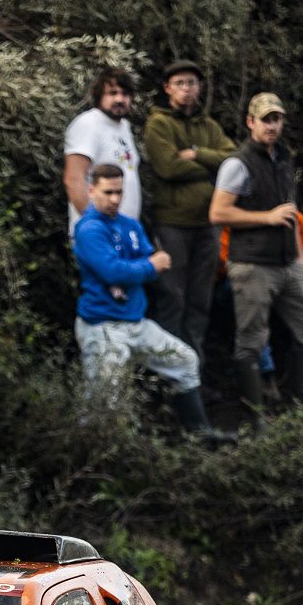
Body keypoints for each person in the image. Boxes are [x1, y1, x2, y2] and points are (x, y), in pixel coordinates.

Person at [72, 164, 233, 444]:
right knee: (104, 402)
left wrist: (140, 267)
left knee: (185, 361)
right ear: (91, 190)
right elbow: (115, 270)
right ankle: (94, 462)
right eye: (108, 192)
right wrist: (144, 267)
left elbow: (154, 260)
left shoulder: (129, 225)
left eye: (119, 192)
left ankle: (200, 435)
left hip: (135, 322)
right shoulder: (88, 229)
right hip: (103, 326)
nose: (114, 199)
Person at [209, 92, 303, 419]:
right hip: (251, 264)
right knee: (250, 342)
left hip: (287, 263)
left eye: (277, 119)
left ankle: (298, 408)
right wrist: (267, 217)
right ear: (251, 123)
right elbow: (218, 213)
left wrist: (298, 256)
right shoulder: (238, 164)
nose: (272, 125)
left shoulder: (283, 159)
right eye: (265, 119)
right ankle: (255, 417)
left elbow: (289, 211)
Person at [143, 59, 236, 358]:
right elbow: (168, 167)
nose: (186, 89)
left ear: (200, 88)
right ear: (167, 88)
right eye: (180, 83)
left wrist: (196, 154)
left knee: (200, 300)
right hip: (172, 224)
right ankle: (167, 374)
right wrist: (211, 169)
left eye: (192, 83)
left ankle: (193, 372)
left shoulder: (208, 125)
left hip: (207, 225)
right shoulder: (159, 123)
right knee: (172, 297)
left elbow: (233, 161)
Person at [63, 66, 141, 234]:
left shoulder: (124, 127)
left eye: (125, 94)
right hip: (99, 235)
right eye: (112, 93)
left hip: (124, 232)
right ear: (99, 96)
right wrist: (95, 227)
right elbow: (74, 179)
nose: (120, 99)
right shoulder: (88, 123)